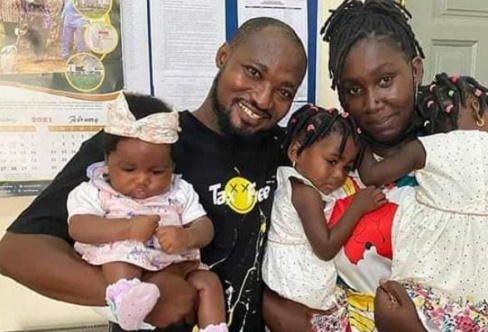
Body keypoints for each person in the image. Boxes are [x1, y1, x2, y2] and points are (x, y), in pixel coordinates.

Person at [0, 17, 307, 332]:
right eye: (253, 72)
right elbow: (16, 252)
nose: (263, 98)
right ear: (223, 56)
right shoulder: (145, 143)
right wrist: (142, 297)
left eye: (284, 91)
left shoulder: (287, 153)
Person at [263, 1, 488, 332]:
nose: (371, 103)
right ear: (340, 93)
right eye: (354, 89)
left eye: (385, 80)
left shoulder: (459, 157)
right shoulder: (329, 163)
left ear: (415, 70)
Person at [359, 73, 488, 331]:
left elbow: (371, 175)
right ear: (477, 110)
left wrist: (362, 141)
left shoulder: (424, 148)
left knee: (410, 301)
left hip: (442, 271)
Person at [67, 92, 227, 331]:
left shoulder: (180, 190)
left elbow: (205, 226)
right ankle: (125, 301)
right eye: (129, 169)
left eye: (157, 171)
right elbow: (79, 227)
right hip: (132, 272)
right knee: (119, 258)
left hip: (178, 267)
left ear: (172, 166)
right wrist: (127, 229)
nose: (142, 180)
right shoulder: (96, 192)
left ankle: (214, 327)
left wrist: (187, 236)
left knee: (208, 281)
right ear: (107, 161)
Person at [262, 104, 387, 331]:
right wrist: (358, 207)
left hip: (289, 288)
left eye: (347, 167)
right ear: (295, 153)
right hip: (298, 288)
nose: (339, 174)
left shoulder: (300, 180)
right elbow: (325, 247)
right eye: (331, 161)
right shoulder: (305, 192)